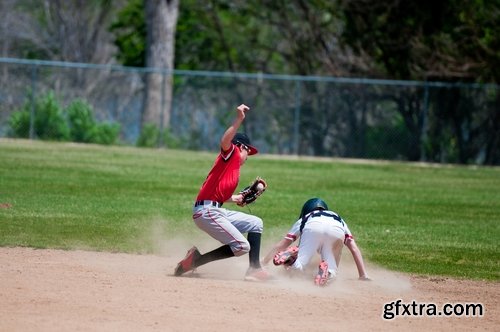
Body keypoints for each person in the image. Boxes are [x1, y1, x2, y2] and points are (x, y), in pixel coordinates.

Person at [174, 104, 272, 282]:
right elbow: (225, 142)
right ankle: (198, 261)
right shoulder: (231, 153)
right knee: (242, 246)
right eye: (248, 150)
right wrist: (239, 119)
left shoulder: (231, 168)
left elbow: (217, 194)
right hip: (207, 212)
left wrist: (236, 198)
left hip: (214, 209)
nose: (248, 155)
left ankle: (254, 268)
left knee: (256, 223)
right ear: (240, 147)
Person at [262, 197, 370, 286]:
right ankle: (327, 273)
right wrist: (363, 274)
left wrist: (264, 262)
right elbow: (354, 248)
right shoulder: (337, 217)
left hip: (312, 226)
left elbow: (283, 244)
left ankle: (292, 260)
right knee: (332, 273)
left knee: (299, 267)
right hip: (336, 230)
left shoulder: (306, 217)